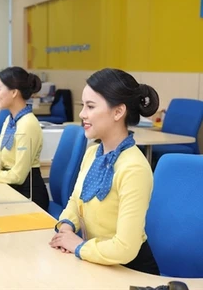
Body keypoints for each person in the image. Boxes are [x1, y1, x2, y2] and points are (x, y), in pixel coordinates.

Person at [49, 68, 160, 275]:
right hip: (98, 263)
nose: (82, 114)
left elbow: (125, 248)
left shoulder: (134, 168)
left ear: (118, 112)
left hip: (130, 271)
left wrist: (78, 246)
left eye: (90, 106)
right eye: (83, 106)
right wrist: (66, 226)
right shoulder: (93, 153)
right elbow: (76, 200)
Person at [0, 67, 49, 211]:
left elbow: (18, 176)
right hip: (12, 188)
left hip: (28, 195)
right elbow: (3, 158)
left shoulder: (28, 124)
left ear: (14, 92)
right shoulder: (10, 120)